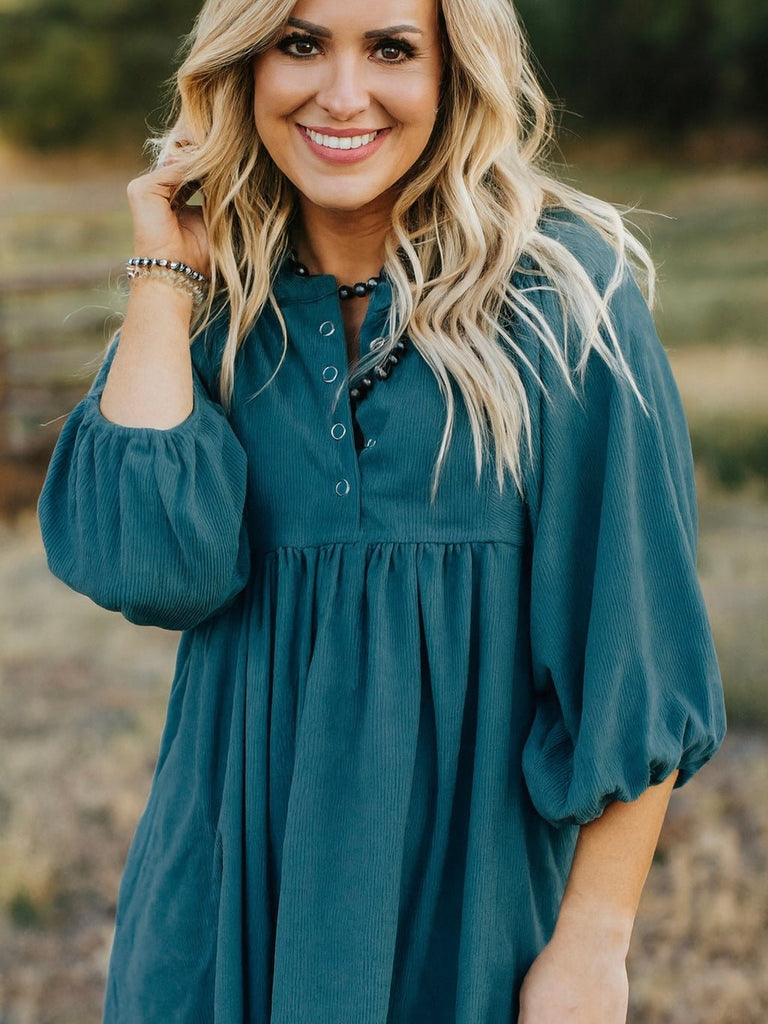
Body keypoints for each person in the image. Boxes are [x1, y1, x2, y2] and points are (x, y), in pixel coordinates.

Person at [37, 0, 727, 1021]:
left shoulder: (563, 304)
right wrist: (166, 274)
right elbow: (152, 569)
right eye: (301, 43)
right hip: (216, 921)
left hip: (466, 927)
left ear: (454, 75)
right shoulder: (214, 302)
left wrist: (592, 946)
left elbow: (637, 663)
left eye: (393, 49)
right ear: (245, 65)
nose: (343, 93)